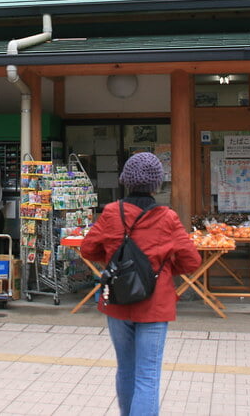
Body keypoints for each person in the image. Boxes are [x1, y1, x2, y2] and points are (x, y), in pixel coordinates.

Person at [81, 152, 201, 416]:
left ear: (125, 180)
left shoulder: (111, 212)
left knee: (126, 369)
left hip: (117, 301)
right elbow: (192, 260)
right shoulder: (167, 217)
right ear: (157, 184)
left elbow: (88, 249)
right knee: (147, 376)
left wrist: (115, 262)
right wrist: (163, 271)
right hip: (155, 304)